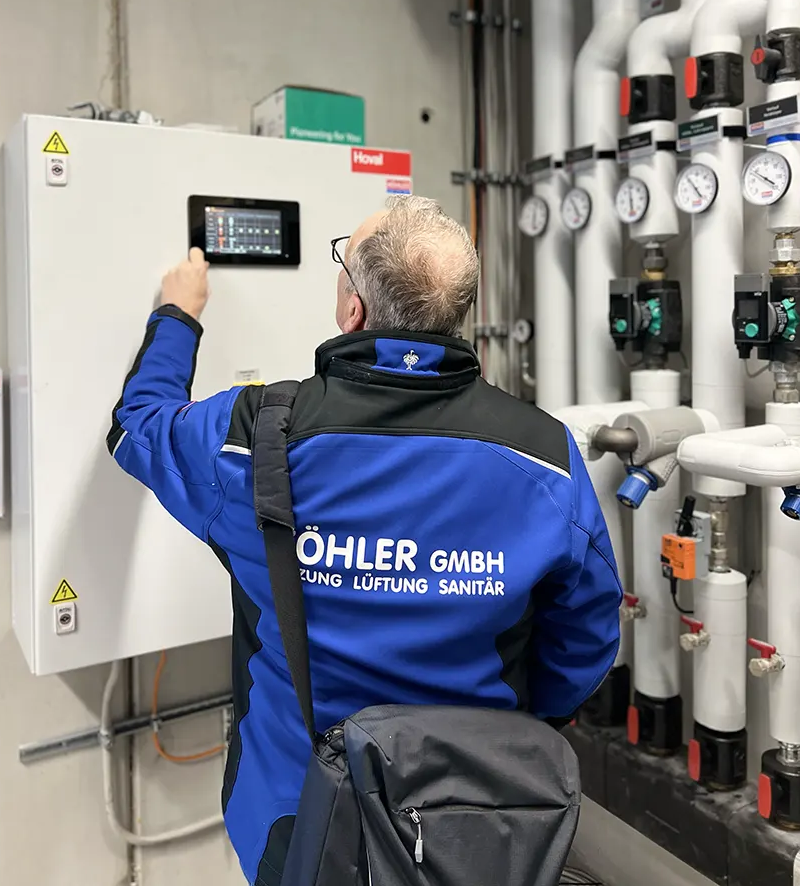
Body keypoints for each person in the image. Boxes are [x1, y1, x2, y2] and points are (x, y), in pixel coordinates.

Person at [108, 195, 622, 885]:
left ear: (352, 309)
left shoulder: (256, 437)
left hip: (299, 820)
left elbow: (137, 426)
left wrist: (179, 313)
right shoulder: (544, 456)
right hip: (481, 819)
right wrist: (514, 726)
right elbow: (587, 636)